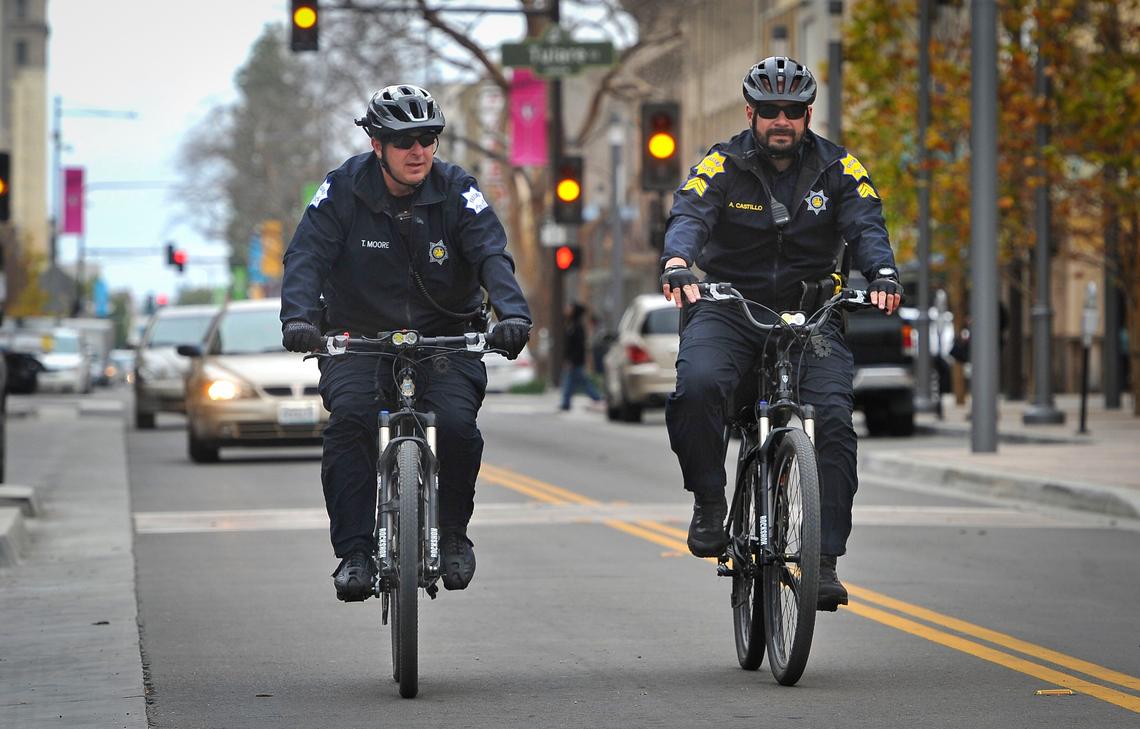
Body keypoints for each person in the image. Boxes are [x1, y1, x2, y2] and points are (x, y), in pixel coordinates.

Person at [658, 57, 902, 610]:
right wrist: (678, 262)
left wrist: (883, 274)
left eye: (793, 111)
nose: (782, 120)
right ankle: (709, 501)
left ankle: (822, 559)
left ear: (808, 114)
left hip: (811, 316)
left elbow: (866, 225)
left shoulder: (840, 167)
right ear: (752, 113)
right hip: (729, 309)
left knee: (834, 421)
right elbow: (690, 215)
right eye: (770, 111)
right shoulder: (719, 164)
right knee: (696, 388)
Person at [279, 84, 532, 601]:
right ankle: (354, 553)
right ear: (377, 144)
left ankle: (455, 535)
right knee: (349, 421)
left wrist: (512, 314)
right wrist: (300, 318)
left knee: (459, 427)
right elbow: (306, 256)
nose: (418, 151)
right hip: (359, 338)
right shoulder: (342, 189)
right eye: (404, 141)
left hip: (447, 337)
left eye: (428, 139)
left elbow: (491, 255)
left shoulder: (458, 189)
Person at [559, 302, 604, 411]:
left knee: (574, 381)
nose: (566, 309)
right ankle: (566, 402)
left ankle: (596, 397)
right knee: (574, 381)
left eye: (569, 307)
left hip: (576, 361)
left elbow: (578, 346)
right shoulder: (571, 325)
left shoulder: (577, 327)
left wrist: (571, 360)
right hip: (573, 360)